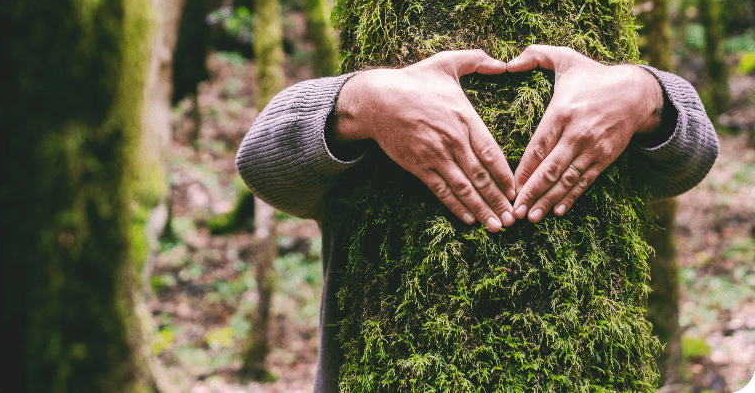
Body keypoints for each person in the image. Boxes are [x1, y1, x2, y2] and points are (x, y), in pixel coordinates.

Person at [236, 44, 718, 393]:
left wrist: (644, 92)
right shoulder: (368, 140)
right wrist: (364, 101)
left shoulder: (605, 128)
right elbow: (258, 160)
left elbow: (694, 156)